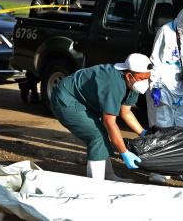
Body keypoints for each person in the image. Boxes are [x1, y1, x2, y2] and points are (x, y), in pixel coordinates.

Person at [50, 53, 152, 181]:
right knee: (97, 135)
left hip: (85, 100)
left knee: (101, 135)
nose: (145, 82)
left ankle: (108, 176)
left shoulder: (133, 84)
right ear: (128, 75)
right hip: (66, 98)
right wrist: (124, 152)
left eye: (147, 78)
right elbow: (109, 121)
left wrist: (143, 133)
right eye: (142, 78)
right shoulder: (113, 83)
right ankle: (96, 184)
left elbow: (126, 112)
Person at [146, 4, 183, 129]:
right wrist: (155, 85)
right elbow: (156, 61)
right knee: (162, 122)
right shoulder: (166, 32)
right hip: (165, 81)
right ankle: (162, 147)